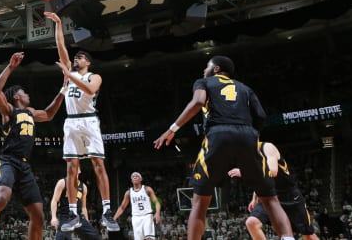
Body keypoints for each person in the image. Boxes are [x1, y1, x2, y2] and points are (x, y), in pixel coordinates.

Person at [153, 56, 296, 240]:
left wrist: (172, 130)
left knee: (200, 201)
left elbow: (197, 102)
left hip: (218, 134)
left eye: (207, 66)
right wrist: (249, 136)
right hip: (248, 135)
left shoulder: (204, 82)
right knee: (270, 199)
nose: (204, 70)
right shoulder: (245, 88)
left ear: (216, 69)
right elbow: (261, 116)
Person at [0, 52, 65, 240]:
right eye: (25, 92)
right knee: (1, 198)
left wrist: (63, 91)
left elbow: (49, 114)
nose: (29, 94)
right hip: (8, 160)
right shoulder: (9, 111)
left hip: (25, 166)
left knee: (39, 216)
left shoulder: (31, 112)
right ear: (17, 96)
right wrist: (11, 67)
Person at [45, 12, 120, 232]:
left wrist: (69, 73)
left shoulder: (93, 76)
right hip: (71, 123)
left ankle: (107, 211)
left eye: (80, 57)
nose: (76, 58)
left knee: (98, 164)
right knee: (71, 168)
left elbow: (89, 89)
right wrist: (59, 23)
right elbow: (61, 45)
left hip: (89, 121)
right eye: (75, 57)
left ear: (88, 62)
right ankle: (72, 213)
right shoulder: (69, 74)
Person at [227, 142, 319, 240]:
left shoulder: (267, 147)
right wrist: (255, 198)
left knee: (308, 234)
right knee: (252, 222)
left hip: (289, 196)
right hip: (269, 197)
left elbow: (273, 171)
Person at [50, 167, 100, 240]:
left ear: (79, 171)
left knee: (94, 237)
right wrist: (53, 217)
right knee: (62, 238)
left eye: (75, 167)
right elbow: (54, 200)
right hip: (65, 216)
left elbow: (83, 207)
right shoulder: (62, 182)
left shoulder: (83, 187)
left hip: (79, 217)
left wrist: (87, 221)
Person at [113, 172, 161, 240]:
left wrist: (157, 213)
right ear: (131, 180)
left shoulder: (147, 189)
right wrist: (114, 218)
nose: (135, 177)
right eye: (133, 176)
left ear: (141, 179)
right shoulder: (128, 192)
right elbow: (122, 207)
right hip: (136, 218)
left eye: (137, 176)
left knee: (149, 238)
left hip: (147, 216)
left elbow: (157, 202)